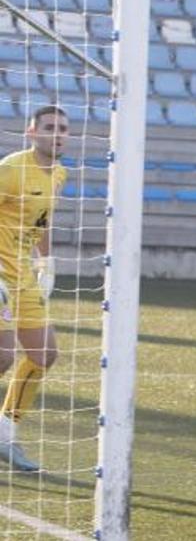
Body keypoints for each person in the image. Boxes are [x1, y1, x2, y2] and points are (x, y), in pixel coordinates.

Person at [0, 106, 68, 472]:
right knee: (3, 357)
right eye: (49, 128)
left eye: (63, 129)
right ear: (31, 132)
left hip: (23, 276)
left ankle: (4, 433)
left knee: (44, 355)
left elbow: (43, 221)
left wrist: (46, 262)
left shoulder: (59, 174)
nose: (57, 134)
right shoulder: (10, 170)